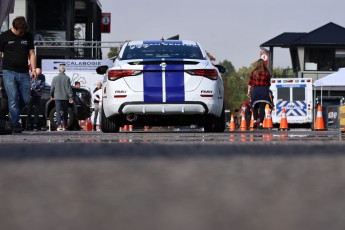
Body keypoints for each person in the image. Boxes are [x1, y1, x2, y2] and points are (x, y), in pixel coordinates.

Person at [0, 16, 37, 133]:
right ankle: (15, 124)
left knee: (26, 99)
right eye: (20, 32)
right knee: (13, 98)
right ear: (14, 28)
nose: (22, 34)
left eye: (24, 31)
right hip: (8, 72)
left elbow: (31, 53)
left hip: (24, 72)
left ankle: (13, 115)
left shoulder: (28, 35)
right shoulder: (3, 37)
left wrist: (34, 69)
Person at [247, 59, 272, 129]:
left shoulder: (254, 72)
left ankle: (255, 121)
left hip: (256, 91)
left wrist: (248, 91)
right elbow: (268, 84)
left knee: (255, 107)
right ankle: (261, 123)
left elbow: (250, 83)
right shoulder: (267, 73)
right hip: (264, 90)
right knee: (262, 108)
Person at [50, 64, 73, 131]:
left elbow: (52, 88)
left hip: (57, 97)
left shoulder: (55, 78)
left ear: (59, 70)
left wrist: (51, 95)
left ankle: (59, 124)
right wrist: (71, 97)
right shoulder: (67, 78)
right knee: (65, 111)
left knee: (58, 111)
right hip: (65, 97)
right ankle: (64, 125)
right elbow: (69, 89)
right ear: (64, 70)